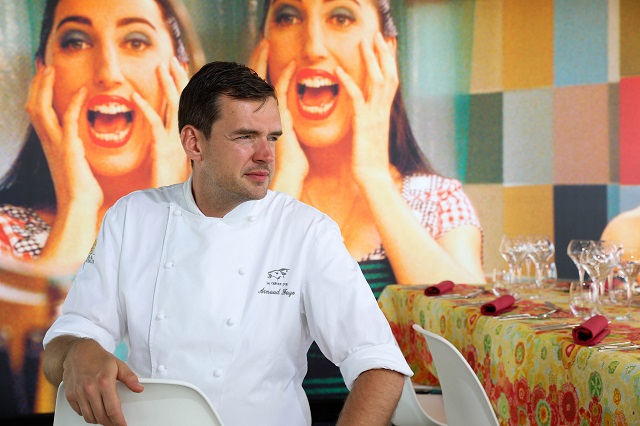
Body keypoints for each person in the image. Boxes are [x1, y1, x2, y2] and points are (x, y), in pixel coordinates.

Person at [41, 61, 411, 426]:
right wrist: (77, 349)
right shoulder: (130, 218)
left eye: (273, 137)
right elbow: (60, 350)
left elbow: (379, 363)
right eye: (245, 136)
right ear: (193, 143)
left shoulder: (307, 232)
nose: (266, 154)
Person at [248, 0, 484, 401]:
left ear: (384, 50)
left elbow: (475, 336)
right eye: (289, 17)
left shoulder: (437, 198)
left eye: (341, 17)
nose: (314, 46)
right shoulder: (226, 201)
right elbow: (218, 328)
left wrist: (374, 176)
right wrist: (282, 171)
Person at [0, 0, 204, 414]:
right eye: (76, 42)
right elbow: (26, 395)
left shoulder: (246, 220)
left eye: (135, 41)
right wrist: (77, 205)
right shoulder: (6, 240)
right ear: (44, 71)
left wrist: (166, 196)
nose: (107, 72)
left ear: (180, 72)